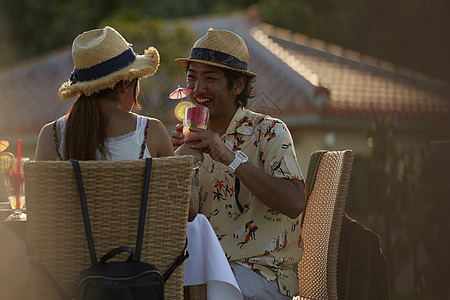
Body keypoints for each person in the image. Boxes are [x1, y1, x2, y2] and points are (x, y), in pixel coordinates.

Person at [171, 28, 306, 299]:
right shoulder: (190, 138)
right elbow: (186, 216)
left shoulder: (269, 130)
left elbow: (294, 203)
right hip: (203, 268)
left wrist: (231, 158)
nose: (197, 90)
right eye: (192, 78)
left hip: (261, 271)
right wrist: (178, 165)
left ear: (238, 86)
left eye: (210, 78)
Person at [34, 26, 198, 220]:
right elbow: (186, 212)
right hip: (140, 251)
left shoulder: (49, 135)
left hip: (69, 250)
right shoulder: (150, 132)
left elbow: (37, 212)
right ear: (124, 83)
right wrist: (191, 162)